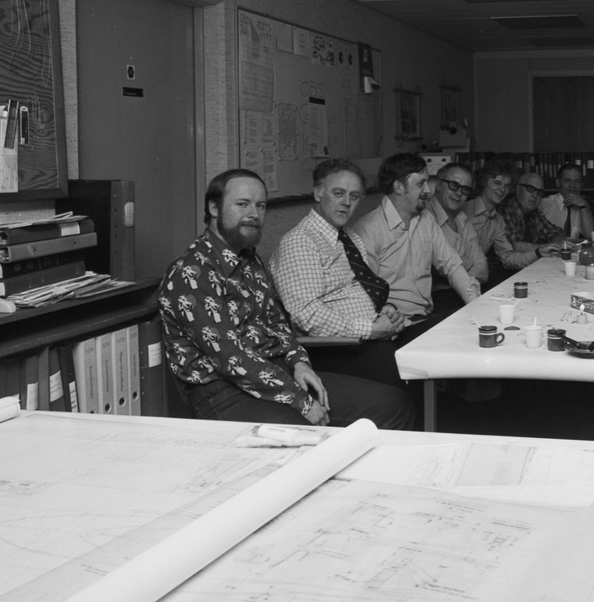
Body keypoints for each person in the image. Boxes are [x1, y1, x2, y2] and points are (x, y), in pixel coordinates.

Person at [159, 169, 413, 429]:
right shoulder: (191, 271)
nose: (254, 214)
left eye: (260, 205)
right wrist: (301, 401)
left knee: (393, 404)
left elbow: (278, 323)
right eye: (242, 204)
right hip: (225, 392)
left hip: (277, 374)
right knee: (305, 434)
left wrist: (299, 363)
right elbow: (230, 358)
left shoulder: (250, 260)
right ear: (214, 208)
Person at [271, 159, 408, 388]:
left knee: (428, 341)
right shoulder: (300, 242)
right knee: (401, 366)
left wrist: (384, 310)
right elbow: (308, 317)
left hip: (367, 336)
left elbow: (360, 289)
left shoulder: (349, 237)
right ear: (318, 193)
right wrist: (371, 329)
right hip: (333, 348)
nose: (346, 202)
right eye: (338, 193)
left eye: (354, 196)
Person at [352, 153, 482, 339]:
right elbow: (363, 293)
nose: (428, 190)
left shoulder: (426, 219)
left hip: (424, 318)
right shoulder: (369, 229)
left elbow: (452, 264)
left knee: (470, 326)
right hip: (396, 327)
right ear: (399, 187)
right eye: (421, 184)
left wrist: (476, 305)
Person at [428, 163, 489, 291]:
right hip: (436, 299)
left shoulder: (462, 218)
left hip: (464, 293)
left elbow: (482, 270)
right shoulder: (423, 217)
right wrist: (468, 262)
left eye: (465, 189)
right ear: (438, 184)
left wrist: (454, 276)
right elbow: (433, 270)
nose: (459, 193)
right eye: (454, 185)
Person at [498, 171, 565, 266]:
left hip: (528, 267)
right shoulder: (505, 210)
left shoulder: (534, 213)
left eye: (539, 192)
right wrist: (546, 248)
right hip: (506, 270)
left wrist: (555, 246)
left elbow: (557, 233)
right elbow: (514, 245)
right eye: (531, 189)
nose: (535, 195)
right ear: (518, 189)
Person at [539, 162, 594, 242]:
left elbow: (591, 236)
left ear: (582, 184)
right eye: (567, 181)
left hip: (573, 249)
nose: (572, 185)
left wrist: (583, 206)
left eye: (577, 181)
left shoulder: (582, 206)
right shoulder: (544, 204)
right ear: (558, 182)